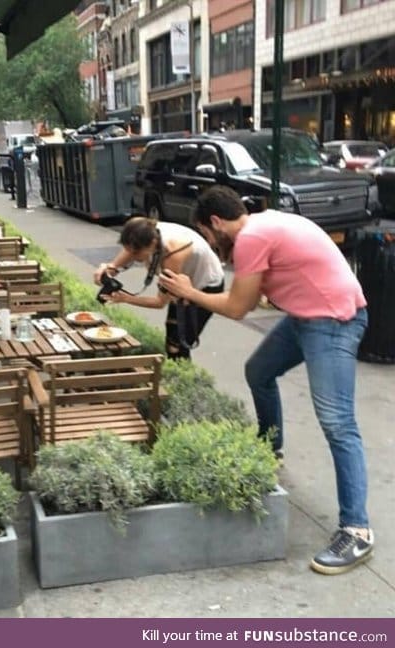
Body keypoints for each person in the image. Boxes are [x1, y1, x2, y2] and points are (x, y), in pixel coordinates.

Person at [157, 185, 372, 575]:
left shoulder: (250, 238)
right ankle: (271, 449)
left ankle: (356, 530)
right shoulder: (261, 225)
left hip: (333, 322)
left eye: (207, 234)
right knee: (258, 371)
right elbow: (257, 294)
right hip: (305, 317)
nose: (209, 243)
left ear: (216, 222)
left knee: (338, 423)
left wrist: (190, 292)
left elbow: (238, 307)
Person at [93, 217, 224, 360]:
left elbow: (160, 302)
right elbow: (131, 248)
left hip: (205, 286)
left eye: (136, 253)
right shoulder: (145, 230)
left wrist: (126, 298)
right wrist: (111, 268)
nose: (133, 257)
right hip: (183, 283)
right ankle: (175, 368)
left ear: (152, 244)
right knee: (171, 336)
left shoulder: (172, 254)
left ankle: (182, 377)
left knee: (179, 344)